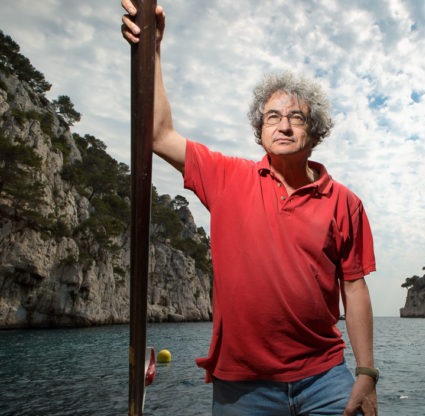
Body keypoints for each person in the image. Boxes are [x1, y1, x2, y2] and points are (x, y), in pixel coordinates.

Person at [121, 3, 378, 415]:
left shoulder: (345, 202)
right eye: (272, 117)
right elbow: (158, 134)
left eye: (297, 117)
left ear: (315, 134)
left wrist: (365, 373)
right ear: (260, 134)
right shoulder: (227, 176)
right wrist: (153, 47)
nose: (284, 124)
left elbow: (354, 287)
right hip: (243, 387)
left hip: (326, 378)